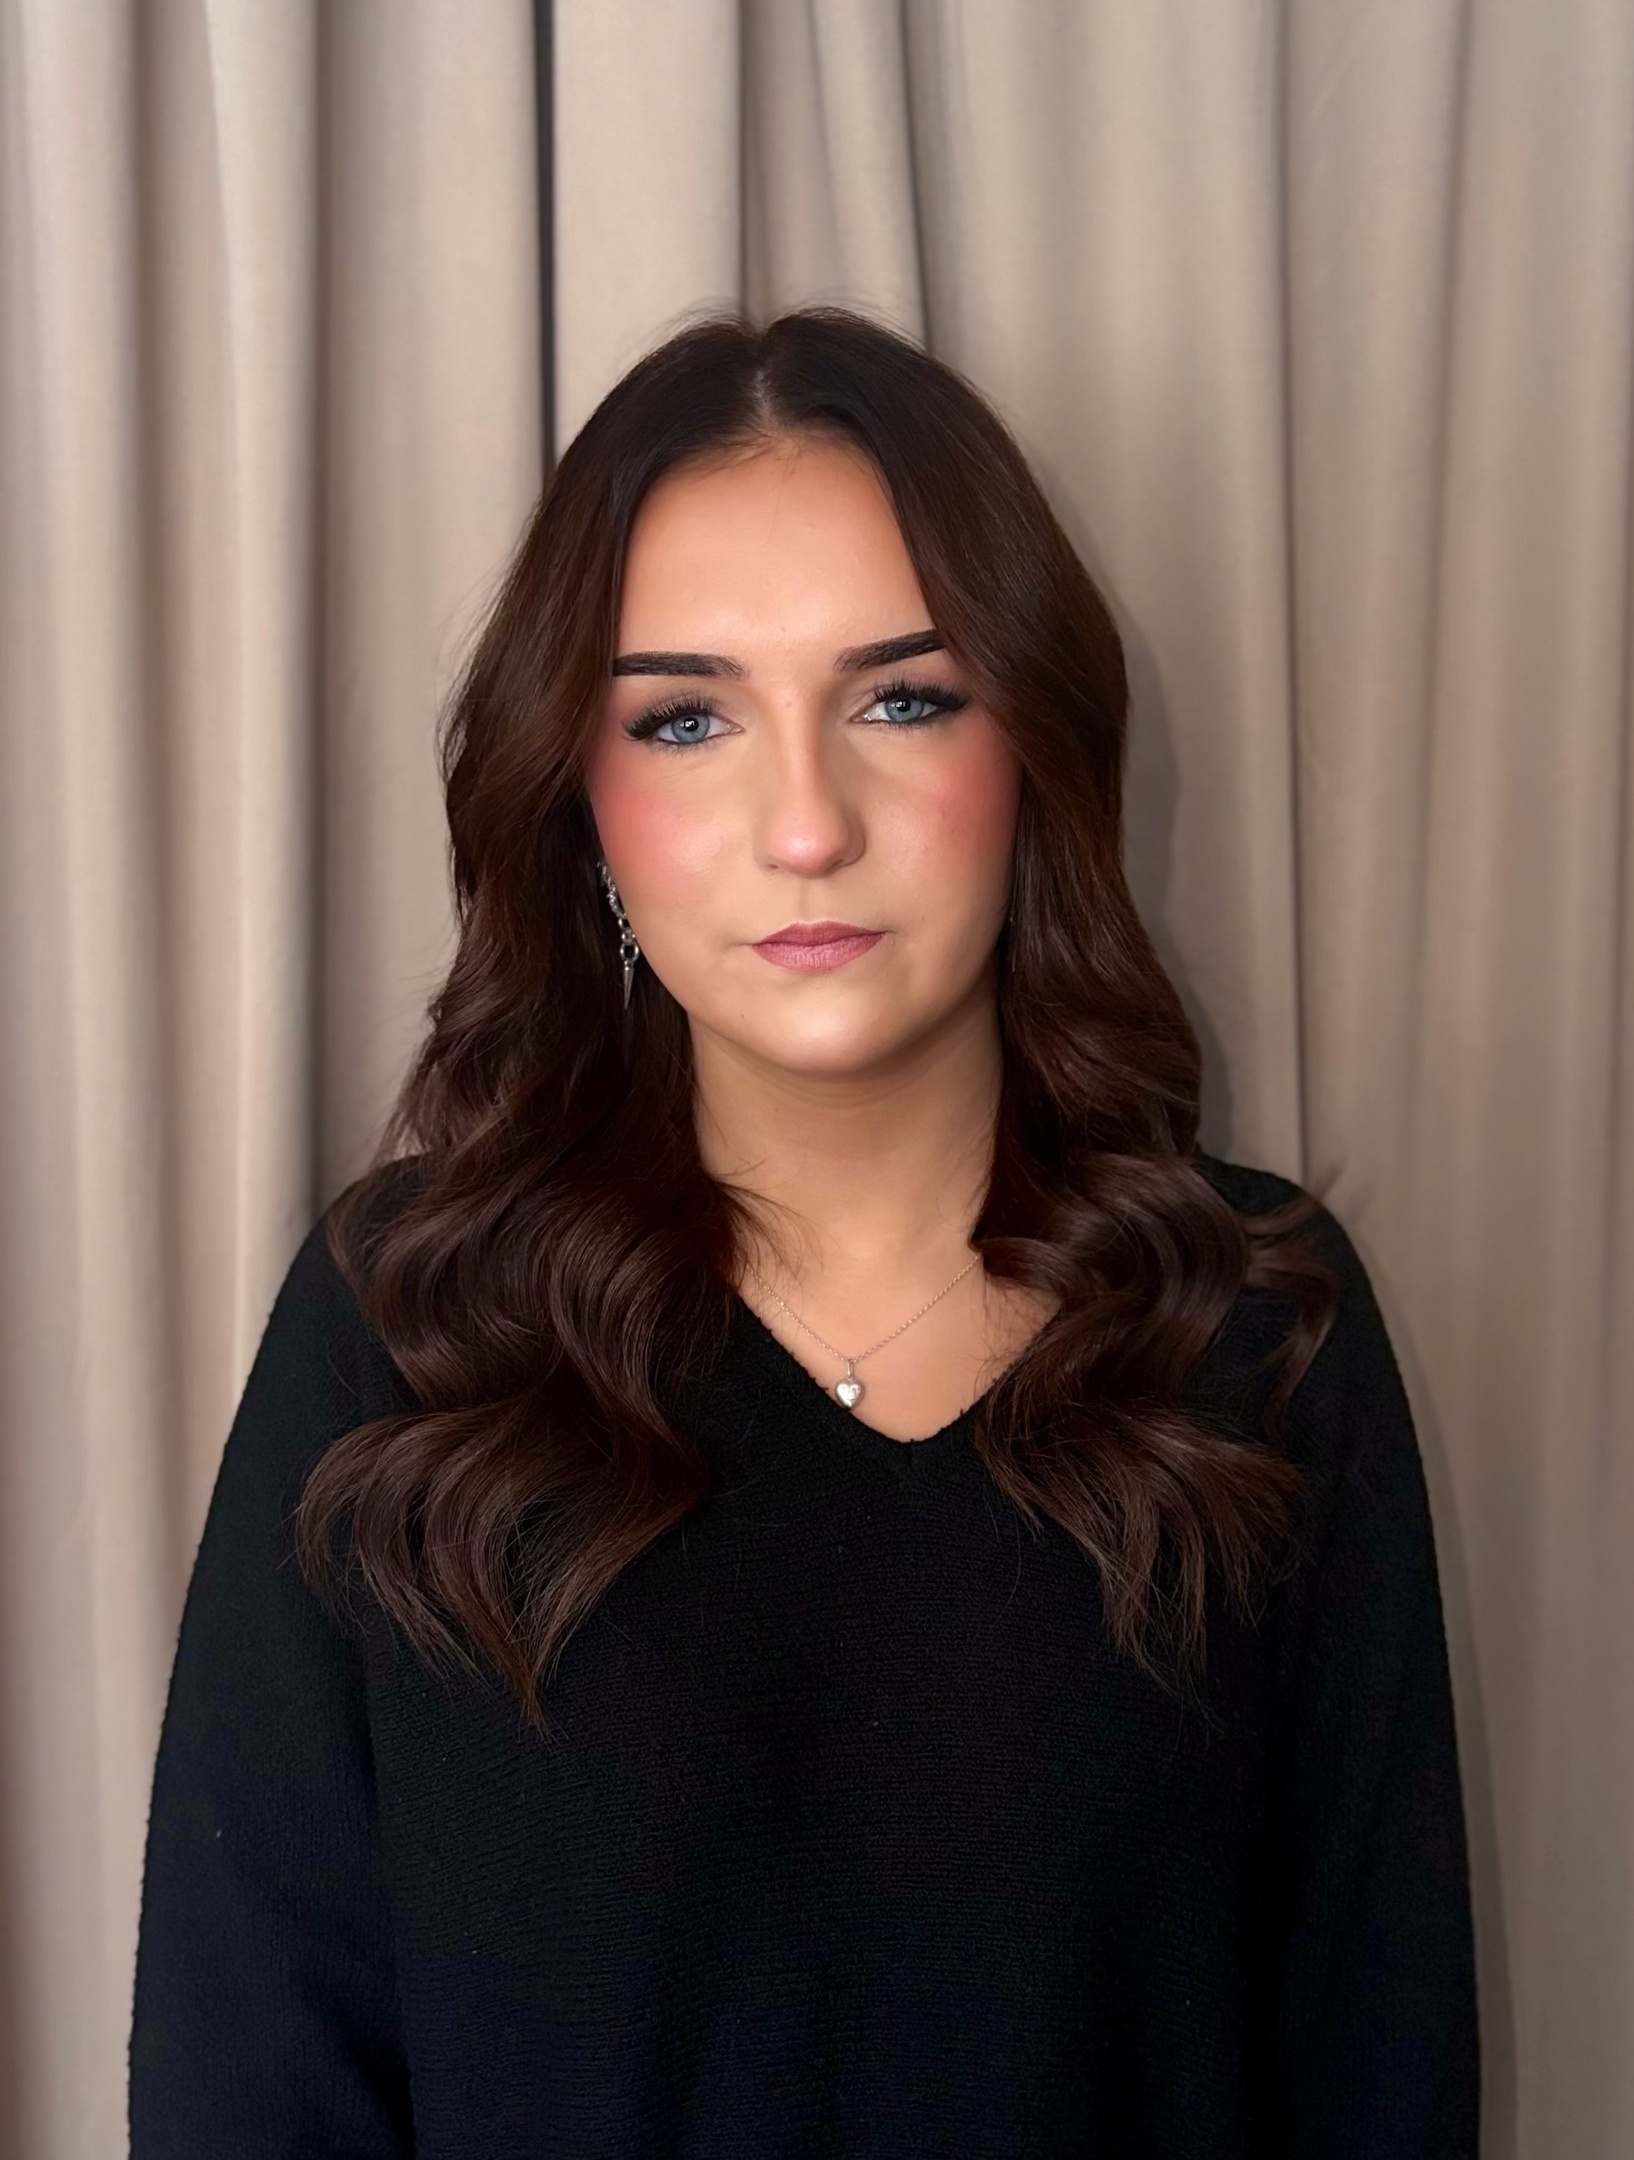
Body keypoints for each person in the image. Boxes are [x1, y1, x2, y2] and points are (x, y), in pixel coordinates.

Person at [128, 308, 1479, 2158]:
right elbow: (247, 2083)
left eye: (901, 698)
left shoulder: (1249, 1333)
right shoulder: (411, 1333)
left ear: (1034, 748)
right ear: (582, 806)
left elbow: (1377, 2070)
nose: (805, 825)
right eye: (685, 720)